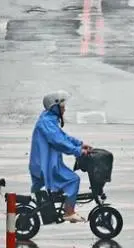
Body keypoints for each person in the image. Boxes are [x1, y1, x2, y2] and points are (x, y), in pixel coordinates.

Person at [29, 91, 92, 223]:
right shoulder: (46, 122)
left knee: (62, 186)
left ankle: (63, 207)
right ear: (54, 107)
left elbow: (63, 137)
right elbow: (58, 141)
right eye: (62, 105)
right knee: (73, 180)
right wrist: (78, 151)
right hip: (46, 165)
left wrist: (79, 144)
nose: (64, 108)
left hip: (48, 162)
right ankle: (69, 212)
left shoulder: (49, 119)